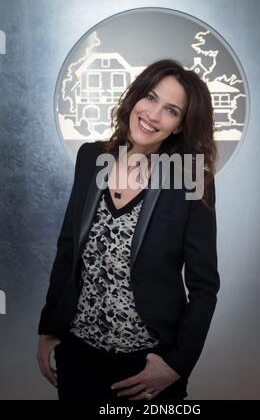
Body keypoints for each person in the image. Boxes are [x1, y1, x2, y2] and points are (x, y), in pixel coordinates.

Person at [37, 58, 220, 402]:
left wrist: (176, 364)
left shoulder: (190, 178)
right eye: (150, 97)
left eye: (171, 110)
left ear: (180, 126)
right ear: (136, 97)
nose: (152, 114)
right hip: (78, 357)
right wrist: (48, 327)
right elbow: (67, 249)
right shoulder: (91, 157)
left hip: (147, 368)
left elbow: (204, 286)